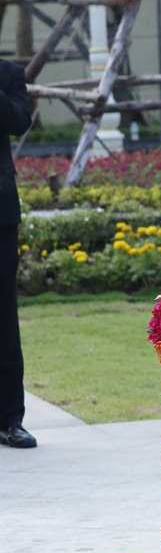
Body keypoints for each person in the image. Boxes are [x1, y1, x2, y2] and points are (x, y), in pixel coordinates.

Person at [0, 58, 36, 449]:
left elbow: (18, 120)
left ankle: (10, 418)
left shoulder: (8, 74)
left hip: (0, 215)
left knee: (4, 319)